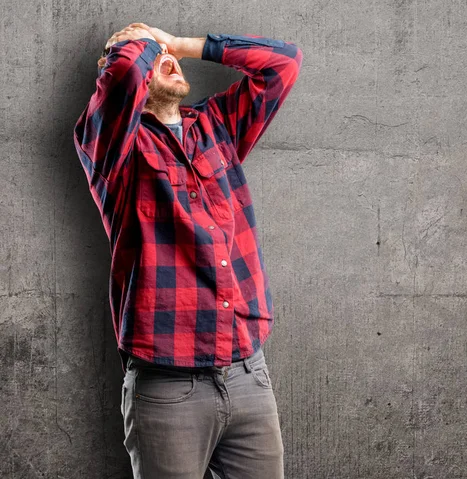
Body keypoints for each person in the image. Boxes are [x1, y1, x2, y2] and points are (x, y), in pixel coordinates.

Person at [73, 22, 303, 479]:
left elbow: (283, 62)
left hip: (248, 374)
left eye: (164, 49)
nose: (162, 55)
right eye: (147, 54)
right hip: (167, 386)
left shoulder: (218, 126)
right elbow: (120, 73)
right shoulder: (113, 149)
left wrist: (179, 44)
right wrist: (138, 47)